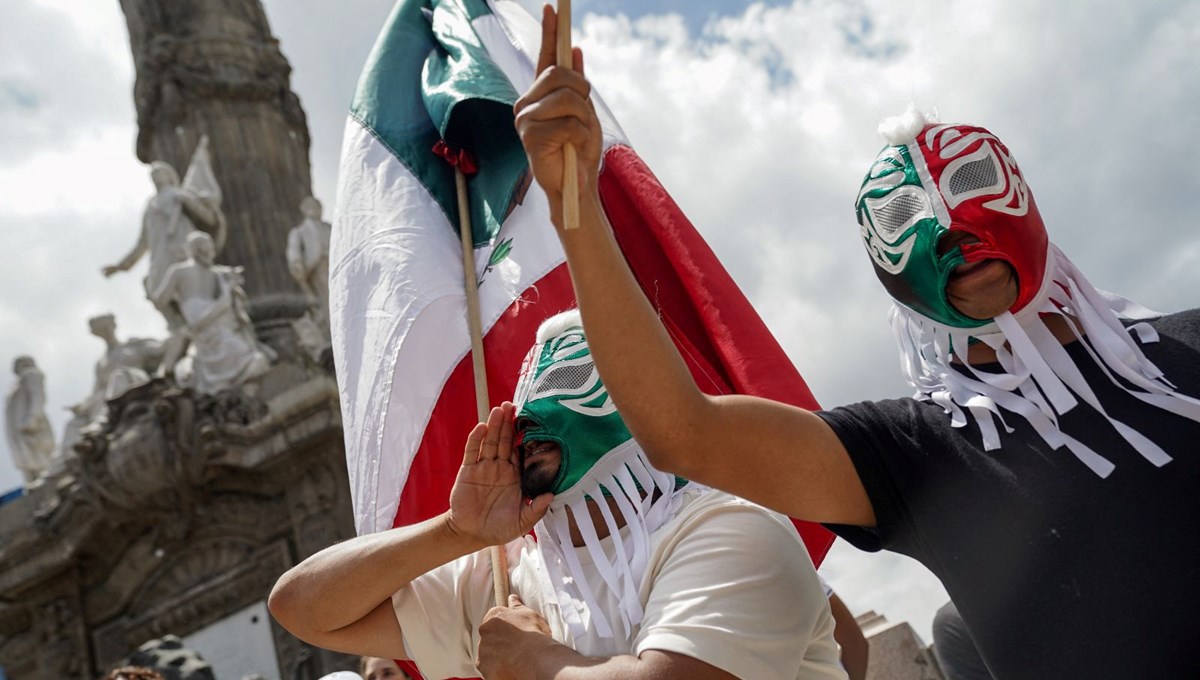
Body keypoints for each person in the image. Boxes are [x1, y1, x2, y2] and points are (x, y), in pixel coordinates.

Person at [513, 6, 1200, 679]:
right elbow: (683, 433)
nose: (950, 226)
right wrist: (577, 212)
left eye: (971, 180)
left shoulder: (1191, 345)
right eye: (904, 217)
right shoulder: (917, 452)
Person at [270, 310, 845, 680]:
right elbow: (302, 608)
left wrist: (532, 659)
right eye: (525, 403)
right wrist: (455, 531)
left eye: (569, 385)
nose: (531, 422)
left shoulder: (733, 527)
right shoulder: (510, 570)